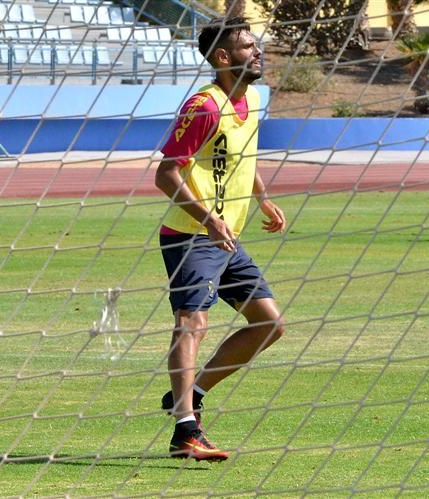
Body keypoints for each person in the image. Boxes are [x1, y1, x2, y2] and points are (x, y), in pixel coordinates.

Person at [154, 17, 286, 461]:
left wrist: (263, 199)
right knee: (193, 323)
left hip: (226, 238)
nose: (257, 51)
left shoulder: (249, 98)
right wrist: (209, 218)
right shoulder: (204, 106)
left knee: (269, 324)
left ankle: (187, 395)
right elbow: (166, 173)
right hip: (192, 235)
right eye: (248, 46)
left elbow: (239, 159)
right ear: (223, 57)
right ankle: (185, 432)